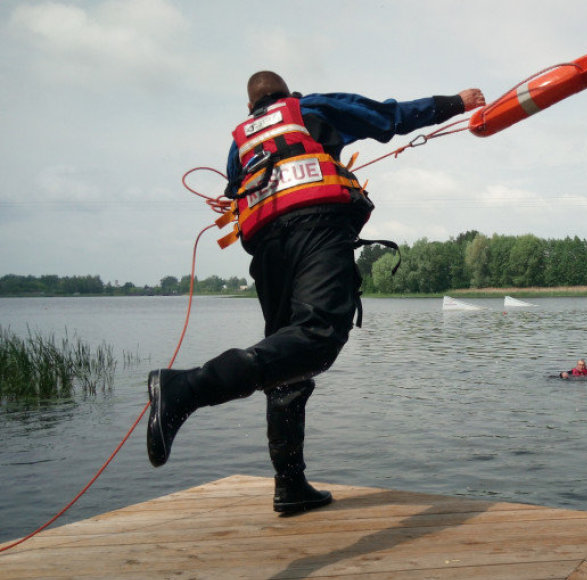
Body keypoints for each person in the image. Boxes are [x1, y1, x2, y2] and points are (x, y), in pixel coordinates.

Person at [146, 71, 485, 514]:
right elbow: (388, 116)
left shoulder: (240, 145)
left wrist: (232, 197)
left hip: (267, 248)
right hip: (315, 225)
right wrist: (454, 103)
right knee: (319, 337)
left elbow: (237, 193)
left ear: (251, 110)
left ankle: (289, 485)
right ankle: (187, 387)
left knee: (283, 358)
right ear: (287, 95)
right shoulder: (312, 108)